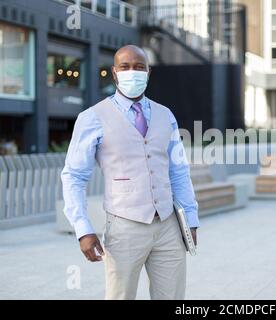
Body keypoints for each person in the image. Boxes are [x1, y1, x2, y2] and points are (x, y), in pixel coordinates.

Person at [61, 45, 199, 300]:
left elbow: (178, 171)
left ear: (148, 72)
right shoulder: (92, 117)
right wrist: (83, 228)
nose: (132, 72)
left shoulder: (165, 114)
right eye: (125, 67)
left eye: (139, 67)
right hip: (124, 226)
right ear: (114, 73)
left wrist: (190, 218)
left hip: (169, 225)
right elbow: (74, 176)